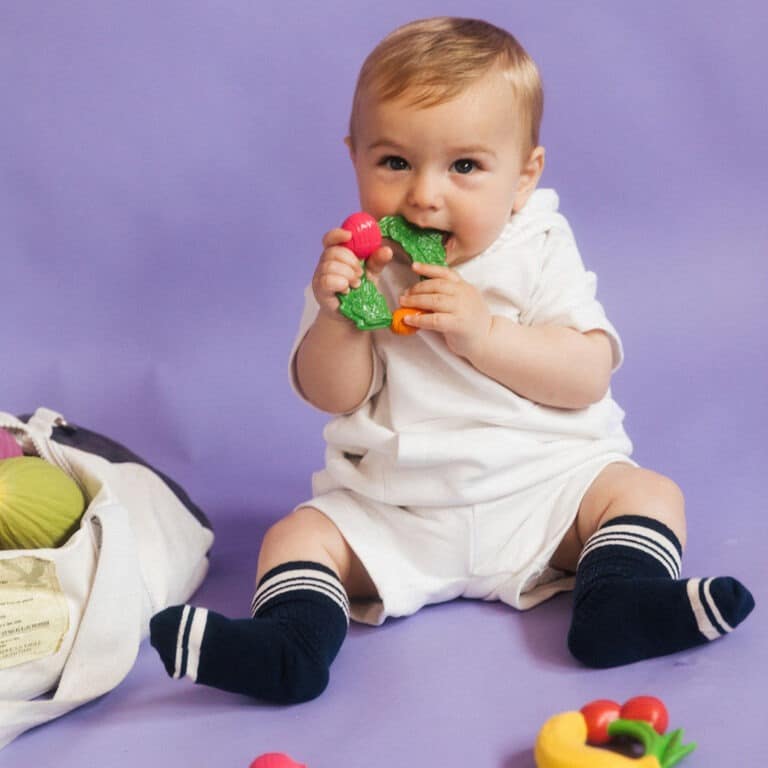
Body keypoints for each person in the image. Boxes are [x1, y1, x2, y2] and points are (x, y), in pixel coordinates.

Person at [149, 17, 754, 703]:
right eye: (395, 163)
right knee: (298, 534)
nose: (425, 195)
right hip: (399, 507)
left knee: (647, 493)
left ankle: (619, 604)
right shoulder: (358, 267)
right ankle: (292, 646)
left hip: (542, 494)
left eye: (464, 166)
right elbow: (333, 394)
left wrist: (483, 331)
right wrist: (336, 317)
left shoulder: (539, 246)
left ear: (524, 177)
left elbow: (586, 375)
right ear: (355, 158)